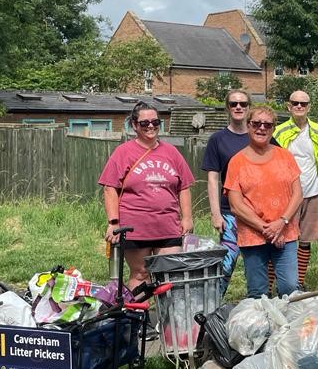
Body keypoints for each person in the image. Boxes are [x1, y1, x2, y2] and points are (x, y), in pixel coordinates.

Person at [99, 101, 194, 294]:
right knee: (141, 273)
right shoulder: (123, 152)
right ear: (134, 125)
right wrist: (113, 222)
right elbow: (110, 188)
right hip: (136, 227)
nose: (151, 126)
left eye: (155, 122)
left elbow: (184, 187)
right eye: (144, 123)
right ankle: (136, 320)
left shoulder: (172, 152)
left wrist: (187, 218)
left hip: (168, 226)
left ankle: (167, 323)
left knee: (169, 276)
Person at [224, 106, 303, 298]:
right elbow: (236, 204)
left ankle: (286, 326)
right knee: (258, 290)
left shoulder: (285, 156)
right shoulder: (237, 161)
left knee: (289, 287)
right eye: (256, 124)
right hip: (253, 235)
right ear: (248, 126)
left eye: (267, 124)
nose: (261, 128)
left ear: (273, 128)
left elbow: (298, 194)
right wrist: (266, 228)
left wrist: (281, 222)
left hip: (285, 231)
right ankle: (261, 327)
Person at [272, 90, 318, 290]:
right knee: (278, 239)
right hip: (286, 194)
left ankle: (299, 282)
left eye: (303, 103)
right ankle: (268, 285)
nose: (299, 106)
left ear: (309, 107)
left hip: (313, 190)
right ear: (288, 106)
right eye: (295, 103)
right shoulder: (278, 132)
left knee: (306, 239)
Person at [201, 89, 256, 297]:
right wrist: (215, 213)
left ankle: (258, 308)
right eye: (234, 104)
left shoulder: (259, 135)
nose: (238, 107)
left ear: (249, 107)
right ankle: (213, 308)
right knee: (226, 265)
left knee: (257, 266)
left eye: (243, 103)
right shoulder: (218, 139)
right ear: (228, 108)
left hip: (258, 214)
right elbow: (213, 178)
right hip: (230, 213)